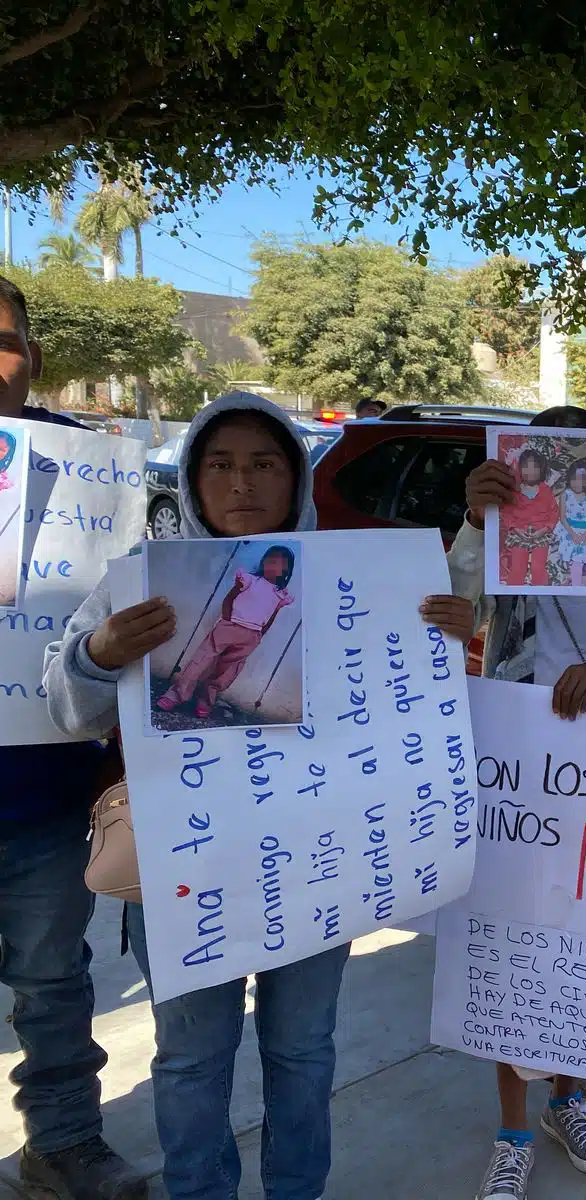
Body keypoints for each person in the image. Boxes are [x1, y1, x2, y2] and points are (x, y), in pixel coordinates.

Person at [42, 392, 340, 1200]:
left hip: (314, 867)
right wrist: (101, 654)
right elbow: (67, 708)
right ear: (193, 475)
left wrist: (434, 635)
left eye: (265, 463)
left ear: (297, 477)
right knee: (191, 1058)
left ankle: (296, 1191)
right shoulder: (138, 581)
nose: (242, 481)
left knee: (304, 1052)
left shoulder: (351, 586)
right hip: (187, 867)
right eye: (221, 463)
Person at [422, 405, 586, 1200]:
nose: (558, 491)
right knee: (508, 950)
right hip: (515, 787)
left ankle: (569, 1101)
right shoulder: (497, 559)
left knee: (582, 947)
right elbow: (442, 608)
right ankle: (513, 1128)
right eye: (536, 473)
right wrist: (472, 517)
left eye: (576, 473)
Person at [0, 276, 146, 1198]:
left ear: (33, 357)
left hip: (47, 802)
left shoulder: (91, 474)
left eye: (3, 339)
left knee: (54, 989)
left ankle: (63, 1145)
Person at [155, 545, 296, 719]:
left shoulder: (280, 594)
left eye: (276, 562)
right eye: (268, 559)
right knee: (201, 661)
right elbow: (230, 597)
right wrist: (227, 618)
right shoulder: (250, 580)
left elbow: (271, 615)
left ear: (286, 569)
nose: (270, 563)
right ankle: (176, 695)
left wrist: (260, 634)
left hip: (251, 636)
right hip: (228, 627)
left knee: (227, 672)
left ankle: (206, 701)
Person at [500, 446, 559, 587]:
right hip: (519, 535)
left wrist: (543, 530)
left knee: (538, 568)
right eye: (526, 467)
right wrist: (517, 530)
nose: (530, 472)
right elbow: (506, 513)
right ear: (520, 469)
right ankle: (513, 593)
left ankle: (542, 595)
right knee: (518, 569)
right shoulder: (515, 491)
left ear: (541, 470)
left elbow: (554, 513)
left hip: (541, 535)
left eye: (535, 467)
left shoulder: (546, 491)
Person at [555, 459, 586, 588]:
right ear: (569, 479)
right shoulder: (565, 495)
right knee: (576, 559)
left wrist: (585, 535)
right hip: (570, 530)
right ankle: (576, 586)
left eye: (583, 479)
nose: (579, 483)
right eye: (575, 479)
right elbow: (562, 518)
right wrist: (574, 535)